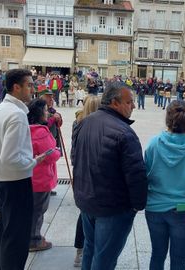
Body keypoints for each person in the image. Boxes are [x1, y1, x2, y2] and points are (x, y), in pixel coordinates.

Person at [72, 81, 147, 270]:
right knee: (104, 258)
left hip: (87, 201)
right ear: (115, 102)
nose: (133, 106)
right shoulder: (125, 133)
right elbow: (136, 175)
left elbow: (76, 159)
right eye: (129, 102)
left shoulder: (84, 122)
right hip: (112, 208)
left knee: (90, 248)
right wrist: (137, 205)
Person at [0, 69, 47, 270]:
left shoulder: (1, 108)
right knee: (16, 237)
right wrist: (33, 162)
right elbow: (10, 157)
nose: (33, 89)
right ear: (16, 87)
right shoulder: (16, 114)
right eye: (29, 85)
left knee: (4, 230)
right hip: (15, 181)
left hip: (1, 179)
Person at [144, 100, 185, 270]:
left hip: (155, 207)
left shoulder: (153, 144)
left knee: (157, 254)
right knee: (179, 259)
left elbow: (145, 175)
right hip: (184, 208)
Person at [27, 98, 61, 251]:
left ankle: (29, 235)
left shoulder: (26, 127)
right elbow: (50, 154)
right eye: (46, 110)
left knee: (31, 208)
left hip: (28, 175)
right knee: (38, 209)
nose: (47, 113)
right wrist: (57, 151)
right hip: (40, 177)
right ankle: (34, 239)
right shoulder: (39, 131)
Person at [71, 95, 102, 267]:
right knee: (89, 214)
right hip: (92, 173)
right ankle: (86, 250)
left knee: (84, 213)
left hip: (81, 172)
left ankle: (80, 251)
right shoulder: (92, 124)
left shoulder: (78, 122)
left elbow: (74, 150)